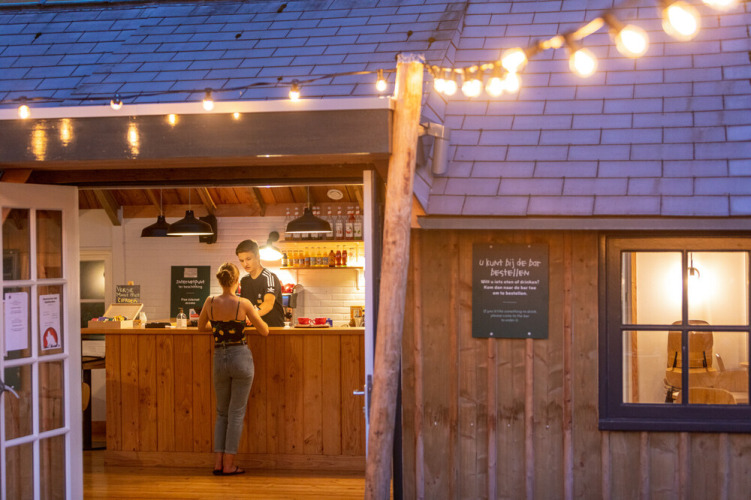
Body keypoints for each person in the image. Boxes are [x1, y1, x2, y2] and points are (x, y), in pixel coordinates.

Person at [197, 262, 269, 476]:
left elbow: (202, 327)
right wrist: (240, 323)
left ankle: (218, 463)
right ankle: (230, 465)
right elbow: (264, 331)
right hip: (240, 357)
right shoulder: (243, 303)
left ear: (220, 281)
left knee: (221, 413)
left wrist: (221, 327)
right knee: (236, 414)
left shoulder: (209, 302)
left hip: (220, 357)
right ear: (237, 282)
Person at [235, 239, 286, 327]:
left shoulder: (270, 277)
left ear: (258, 256)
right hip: (252, 330)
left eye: (248, 259)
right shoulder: (244, 281)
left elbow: (268, 304)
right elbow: (244, 306)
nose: (245, 264)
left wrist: (251, 315)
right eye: (241, 261)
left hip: (273, 330)